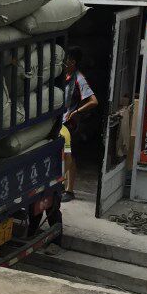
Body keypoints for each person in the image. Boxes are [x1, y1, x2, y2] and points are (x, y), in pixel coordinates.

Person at [61, 46, 98, 202]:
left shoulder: (79, 78)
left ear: (73, 62)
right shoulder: (63, 76)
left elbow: (94, 101)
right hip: (61, 121)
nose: (64, 63)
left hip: (71, 124)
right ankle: (62, 184)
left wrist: (76, 112)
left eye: (66, 60)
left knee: (70, 154)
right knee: (62, 154)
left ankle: (69, 190)